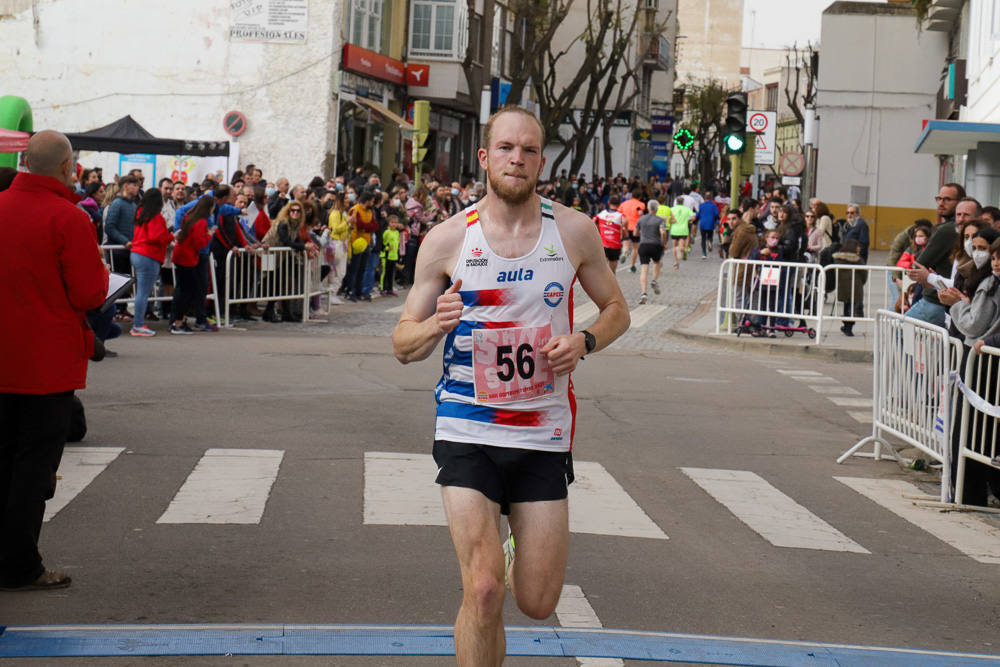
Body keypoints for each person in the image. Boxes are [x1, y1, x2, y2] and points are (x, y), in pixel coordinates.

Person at [391, 106, 630, 667]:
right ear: (485, 157)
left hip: (542, 433)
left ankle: (509, 547)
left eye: (527, 150)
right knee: (483, 591)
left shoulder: (572, 231)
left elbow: (617, 308)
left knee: (538, 602)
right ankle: (487, 573)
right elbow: (402, 343)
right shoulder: (449, 239)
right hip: (466, 426)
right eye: (505, 148)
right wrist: (434, 324)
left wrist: (585, 341)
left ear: (540, 161)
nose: (516, 159)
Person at [0, 130, 109, 591]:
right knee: (32, 469)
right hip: (44, 365)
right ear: (67, 167)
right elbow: (89, 292)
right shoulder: (67, 217)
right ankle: (20, 564)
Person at [905, 183, 964, 327]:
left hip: (935, 300)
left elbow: (919, 263)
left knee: (897, 329)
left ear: (960, 201)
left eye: (947, 199)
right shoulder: (951, 229)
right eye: (939, 198)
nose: (941, 203)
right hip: (948, 298)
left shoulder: (947, 230)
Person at [129, 189, 174, 336]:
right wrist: (170, 237)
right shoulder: (156, 217)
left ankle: (138, 324)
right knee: (143, 292)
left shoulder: (140, 214)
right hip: (149, 255)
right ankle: (138, 325)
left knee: (141, 292)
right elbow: (156, 237)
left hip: (137, 252)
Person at [170, 196, 215, 334]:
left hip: (182, 254)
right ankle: (178, 322)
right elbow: (199, 243)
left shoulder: (189, 216)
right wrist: (209, 235)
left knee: (184, 289)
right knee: (186, 291)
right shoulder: (201, 222)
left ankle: (180, 320)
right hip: (188, 257)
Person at [635, 199, 667, 304]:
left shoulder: (641, 219)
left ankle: (643, 292)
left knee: (644, 269)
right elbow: (662, 232)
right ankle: (654, 280)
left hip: (643, 245)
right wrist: (664, 242)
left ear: (648, 208)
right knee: (657, 262)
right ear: (657, 209)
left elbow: (635, 233)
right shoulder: (660, 220)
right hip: (656, 245)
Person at [594, 195, 626, 273]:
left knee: (602, 271)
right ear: (619, 204)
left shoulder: (601, 214)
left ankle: (601, 284)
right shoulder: (621, 215)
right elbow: (625, 225)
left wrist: (598, 231)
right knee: (612, 272)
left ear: (608, 203)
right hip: (615, 246)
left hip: (603, 245)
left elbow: (592, 222)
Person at [618, 188, 645, 272]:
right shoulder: (641, 204)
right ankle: (632, 266)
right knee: (635, 248)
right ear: (640, 197)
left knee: (625, 244)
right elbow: (641, 215)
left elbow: (619, 214)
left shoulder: (623, 204)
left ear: (631, 195)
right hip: (635, 228)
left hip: (625, 227)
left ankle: (625, 253)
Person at [669, 195, 694, 269]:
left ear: (676, 202)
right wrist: (688, 220)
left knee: (674, 246)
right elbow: (693, 217)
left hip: (674, 230)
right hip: (683, 230)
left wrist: (671, 222)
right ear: (683, 202)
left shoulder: (672, 209)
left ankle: (676, 262)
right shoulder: (687, 209)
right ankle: (684, 250)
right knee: (681, 247)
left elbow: (669, 218)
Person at [696, 191, 719, 259]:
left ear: (704, 198)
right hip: (710, 223)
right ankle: (710, 242)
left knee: (703, 239)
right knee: (710, 236)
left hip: (703, 224)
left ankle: (704, 253)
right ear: (711, 198)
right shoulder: (713, 205)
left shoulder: (701, 205)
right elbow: (716, 214)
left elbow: (698, 215)